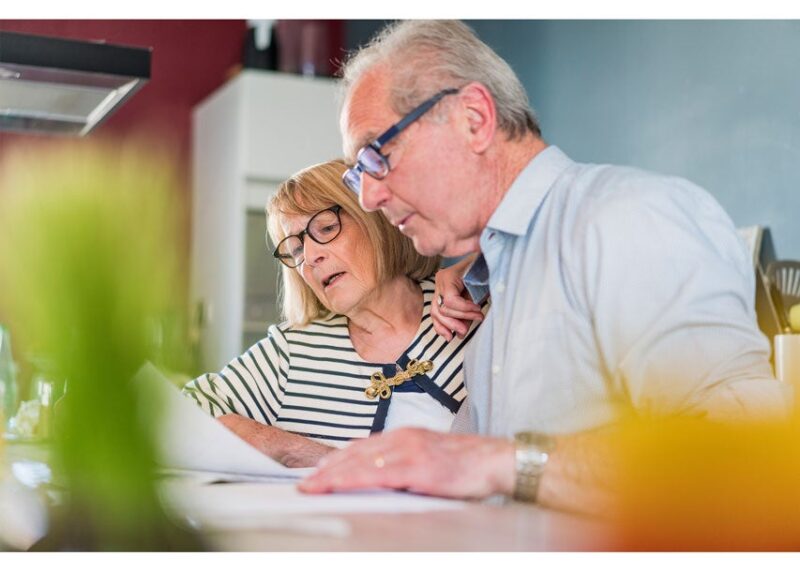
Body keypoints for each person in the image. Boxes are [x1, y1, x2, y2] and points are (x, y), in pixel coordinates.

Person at [298, 20, 792, 511]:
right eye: (358, 172)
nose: (367, 196)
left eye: (376, 155)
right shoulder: (496, 277)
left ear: (473, 118)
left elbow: (744, 455)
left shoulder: (629, 218)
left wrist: (500, 464)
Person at [183, 160, 485, 467]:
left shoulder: (468, 307)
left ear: (377, 218)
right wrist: (288, 447)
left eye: (326, 228)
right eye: (296, 249)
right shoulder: (292, 351)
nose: (311, 257)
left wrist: (478, 271)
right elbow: (177, 416)